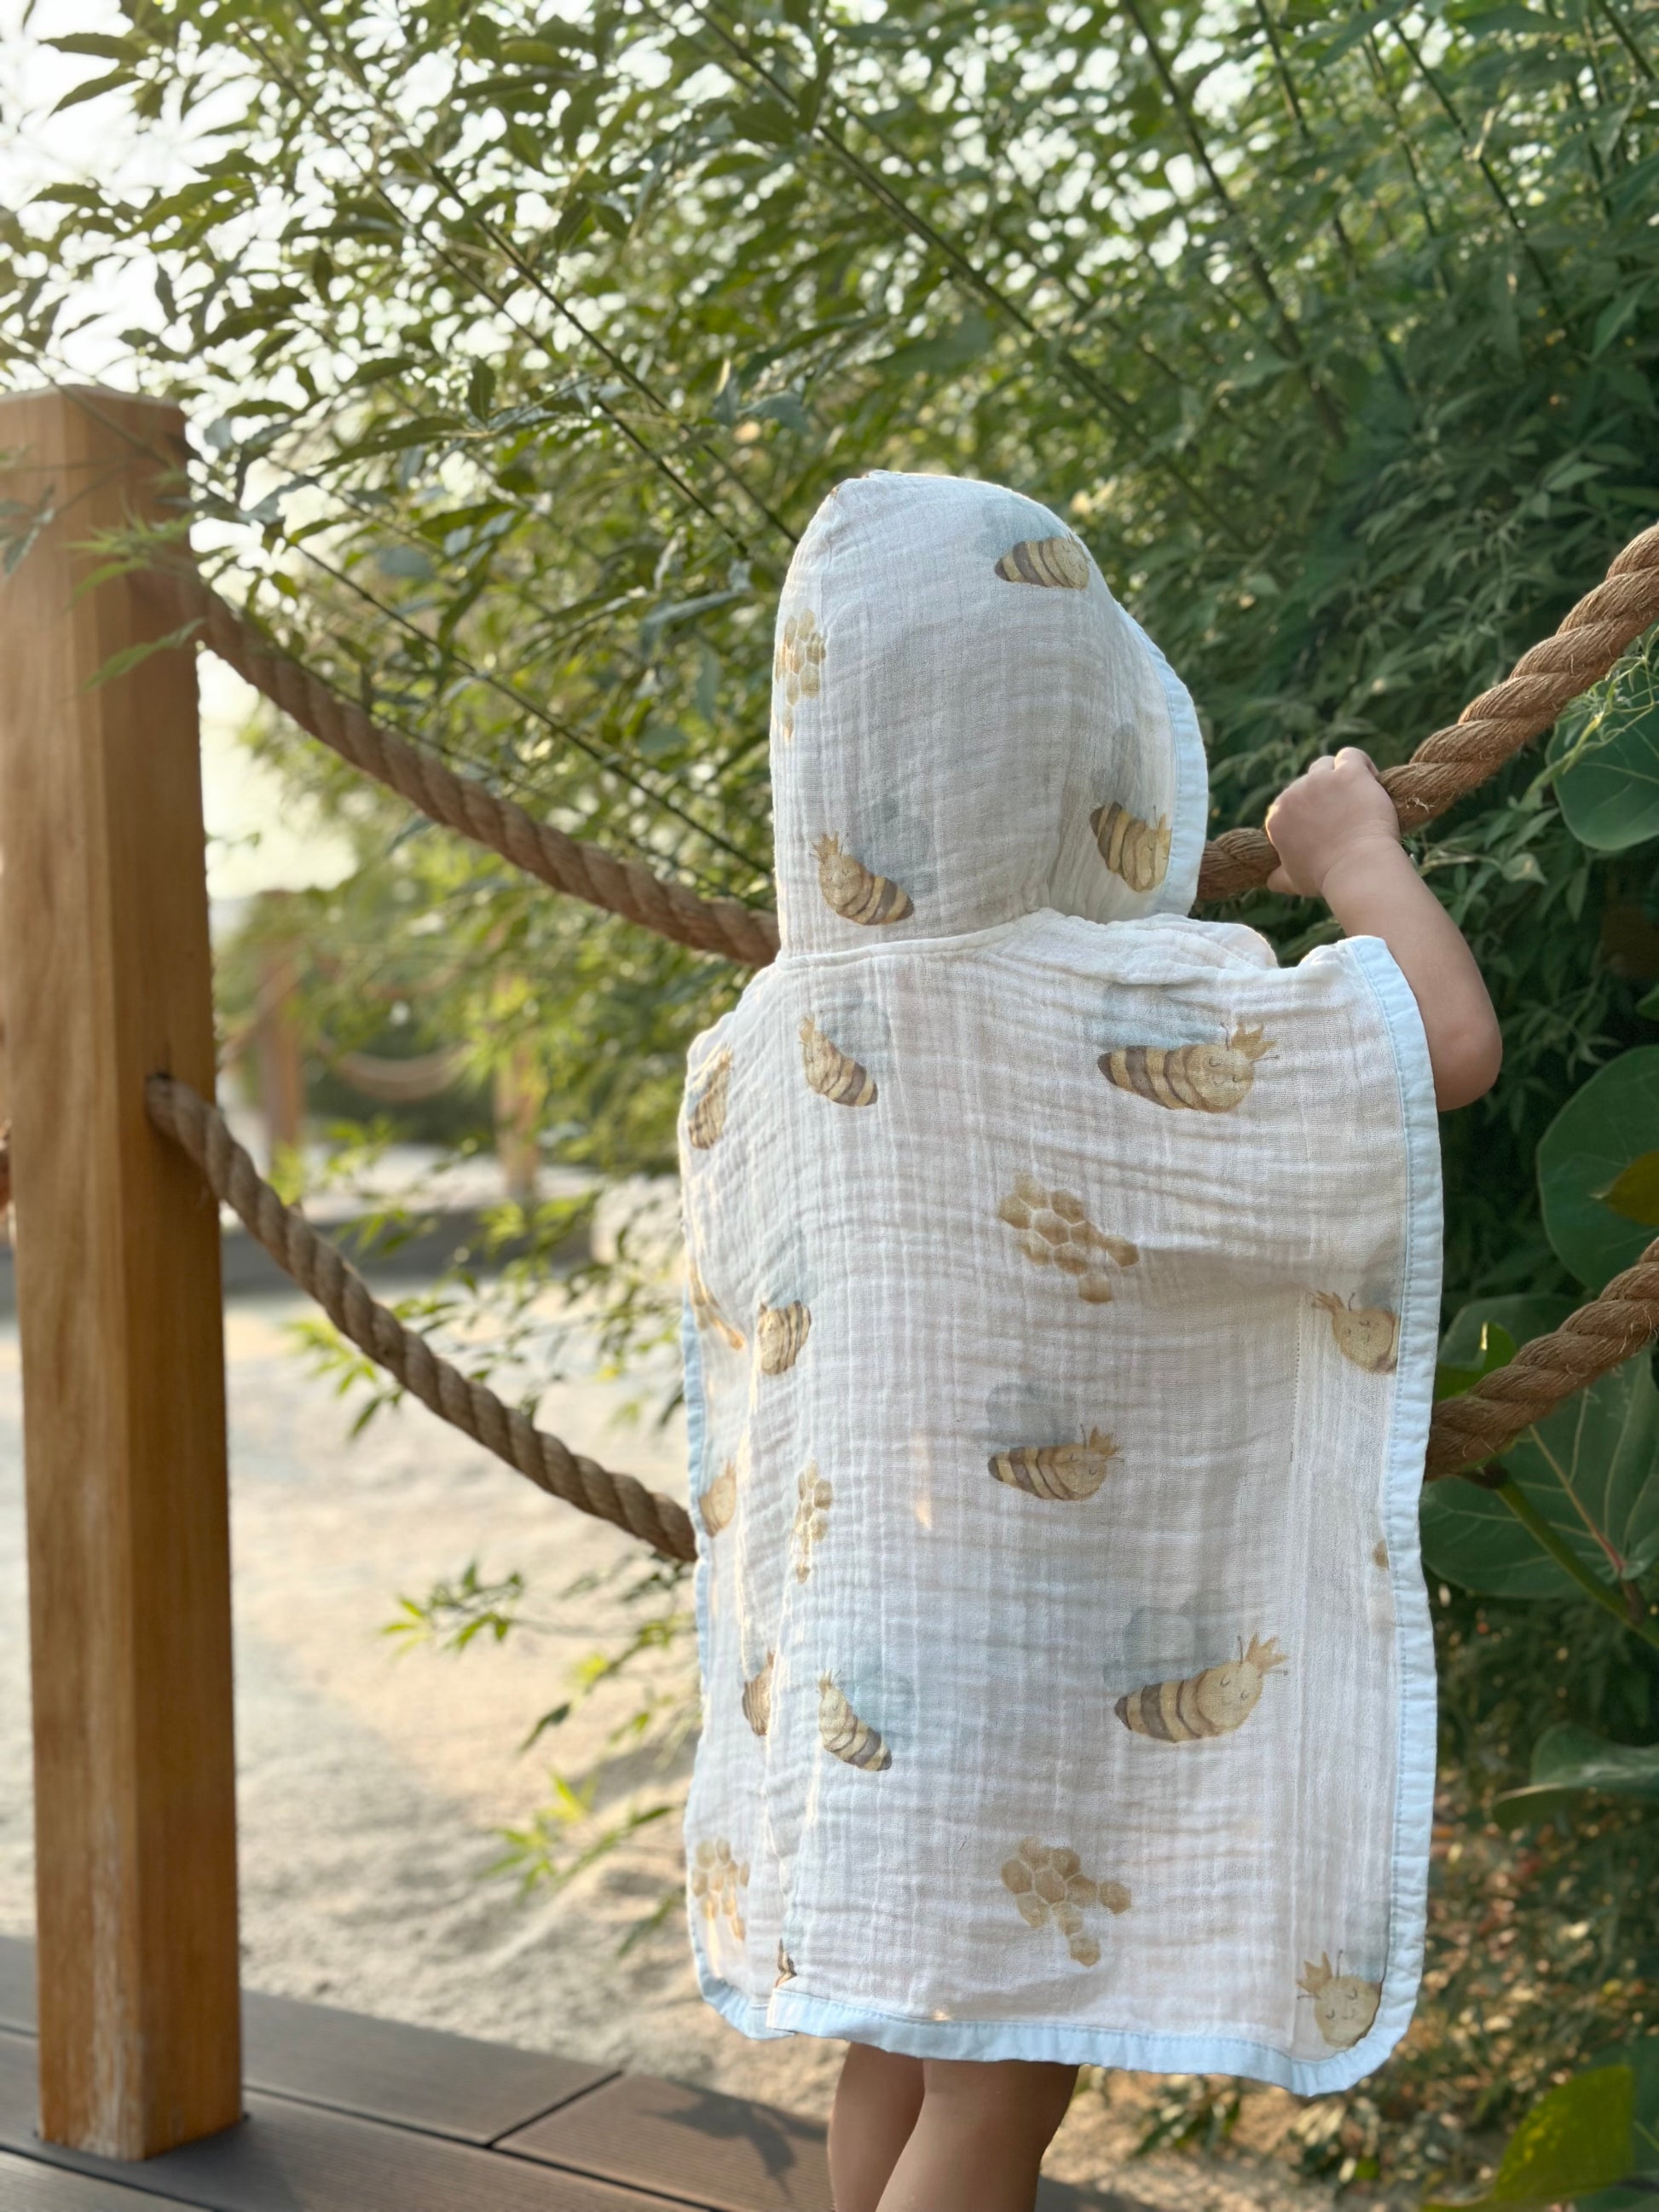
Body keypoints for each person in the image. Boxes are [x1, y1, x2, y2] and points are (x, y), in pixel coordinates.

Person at [677, 472, 1500, 2212]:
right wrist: (1355, 857)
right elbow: (1436, 1048)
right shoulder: (1102, 999)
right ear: (1080, 740)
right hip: (1024, 1659)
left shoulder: (757, 1037)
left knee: (889, 2029)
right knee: (997, 2087)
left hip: (851, 1643)